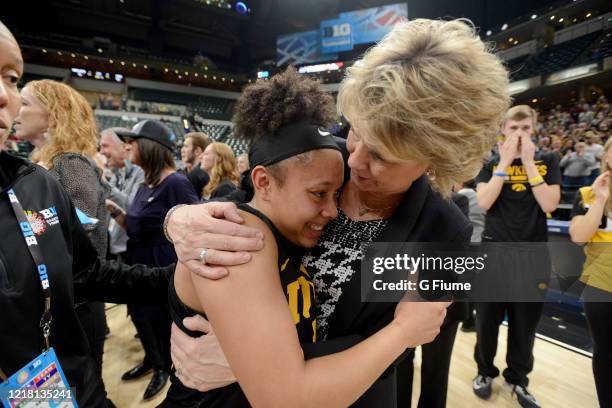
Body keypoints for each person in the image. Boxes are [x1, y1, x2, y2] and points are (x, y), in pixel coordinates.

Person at [165, 18, 511, 407]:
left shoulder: (446, 233)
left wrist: (255, 363)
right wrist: (179, 217)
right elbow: (241, 210)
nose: (356, 158)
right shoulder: (319, 156)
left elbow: (403, 345)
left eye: (381, 155)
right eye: (358, 132)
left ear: (433, 161)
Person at [0, 20, 175, 408]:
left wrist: (184, 277)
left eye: (13, 80)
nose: (7, 99)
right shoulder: (37, 170)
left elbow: (82, 256)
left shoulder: (44, 177)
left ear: (53, 115)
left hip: (59, 355)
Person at [13, 78, 112, 385]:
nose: (15, 106)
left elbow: (81, 244)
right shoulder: (39, 164)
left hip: (74, 309)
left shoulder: (69, 165)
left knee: (80, 392)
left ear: (52, 116)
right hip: (48, 310)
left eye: (26, 102)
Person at [473, 105, 561, 408]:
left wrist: (528, 163)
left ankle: (518, 379)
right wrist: (507, 162)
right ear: (503, 131)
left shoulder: (549, 160)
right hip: (495, 252)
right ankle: (484, 372)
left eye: (525, 128)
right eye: (514, 129)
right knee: (487, 322)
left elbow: (550, 202)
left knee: (525, 325)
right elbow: (483, 202)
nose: (520, 134)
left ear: (534, 129)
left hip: (533, 254)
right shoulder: (491, 163)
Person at [114, 119, 199, 400]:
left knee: (159, 319)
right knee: (139, 316)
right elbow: (136, 227)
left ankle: (164, 367)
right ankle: (151, 360)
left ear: (150, 146)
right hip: (137, 260)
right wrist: (116, 213)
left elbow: (194, 223)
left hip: (161, 263)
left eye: (133, 142)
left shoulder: (175, 182)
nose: (128, 147)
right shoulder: (143, 183)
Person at [569, 137, 612, 408]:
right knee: (606, 354)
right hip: (601, 287)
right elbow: (579, 236)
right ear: (605, 155)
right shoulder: (586, 193)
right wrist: (600, 200)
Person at [99, 127, 145, 261]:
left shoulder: (141, 173)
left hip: (129, 253)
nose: (101, 151)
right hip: (112, 249)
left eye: (105, 146)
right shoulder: (117, 174)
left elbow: (132, 208)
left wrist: (101, 182)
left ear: (124, 147)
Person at [180, 132, 211, 199]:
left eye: (186, 146)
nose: (182, 150)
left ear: (197, 151)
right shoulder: (182, 172)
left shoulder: (198, 176)